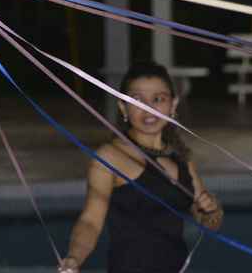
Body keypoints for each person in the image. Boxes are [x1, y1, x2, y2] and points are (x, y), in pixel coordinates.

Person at [59, 62, 223, 273]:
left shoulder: (182, 158)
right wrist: (74, 258)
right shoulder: (110, 157)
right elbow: (90, 221)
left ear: (172, 106)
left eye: (158, 99)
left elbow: (209, 222)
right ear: (122, 107)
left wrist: (211, 210)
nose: (148, 107)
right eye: (137, 100)